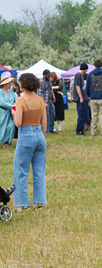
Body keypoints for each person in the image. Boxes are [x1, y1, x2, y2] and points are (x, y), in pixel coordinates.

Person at [11, 73, 47, 211]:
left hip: (26, 135)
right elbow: (44, 122)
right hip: (39, 135)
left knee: (20, 171)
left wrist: (14, 114)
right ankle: (39, 203)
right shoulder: (39, 100)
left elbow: (18, 123)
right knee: (38, 170)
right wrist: (41, 137)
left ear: (23, 84)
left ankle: (22, 204)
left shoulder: (20, 100)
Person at [86, 59, 102, 136]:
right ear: (101, 65)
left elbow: (88, 87)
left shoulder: (90, 74)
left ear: (94, 65)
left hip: (93, 97)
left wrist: (89, 95)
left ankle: (93, 131)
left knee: (94, 115)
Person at [0, 73, 17, 149]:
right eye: (9, 82)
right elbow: (1, 102)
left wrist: (16, 105)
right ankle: (2, 141)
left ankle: (9, 141)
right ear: (5, 83)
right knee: (3, 126)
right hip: (3, 112)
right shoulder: (0, 91)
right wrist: (10, 106)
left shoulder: (11, 92)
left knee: (11, 126)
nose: (10, 84)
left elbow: (16, 100)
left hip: (11, 112)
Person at [73, 63, 89, 136]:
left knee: (84, 114)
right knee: (81, 114)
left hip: (83, 97)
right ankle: (78, 130)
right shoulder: (78, 75)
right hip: (80, 99)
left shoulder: (81, 75)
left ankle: (81, 129)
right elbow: (77, 86)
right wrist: (81, 97)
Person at [38, 69, 55, 133]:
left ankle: (51, 129)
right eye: (48, 75)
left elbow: (51, 89)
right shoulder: (41, 82)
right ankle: (46, 130)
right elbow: (40, 93)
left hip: (50, 100)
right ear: (44, 75)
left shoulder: (49, 81)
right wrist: (44, 102)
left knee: (52, 114)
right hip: (45, 101)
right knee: (46, 116)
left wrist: (53, 96)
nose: (49, 77)